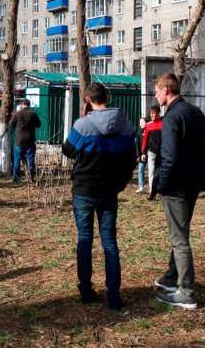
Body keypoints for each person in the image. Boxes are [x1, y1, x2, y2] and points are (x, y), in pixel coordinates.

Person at [62, 83, 136, 310]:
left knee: (84, 239)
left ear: (87, 100)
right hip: (109, 191)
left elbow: (67, 150)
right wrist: (120, 184)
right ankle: (114, 295)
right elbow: (131, 160)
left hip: (84, 190)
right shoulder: (125, 125)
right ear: (107, 97)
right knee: (110, 243)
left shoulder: (83, 125)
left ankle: (86, 291)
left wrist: (82, 120)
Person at [152, 73, 205, 309]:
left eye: (157, 91)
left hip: (176, 185)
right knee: (180, 232)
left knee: (179, 238)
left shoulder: (172, 117)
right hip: (194, 182)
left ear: (166, 90)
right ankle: (171, 277)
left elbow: (169, 157)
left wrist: (160, 184)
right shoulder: (194, 112)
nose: (155, 95)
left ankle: (186, 291)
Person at [9, 99, 42, 182]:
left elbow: (11, 124)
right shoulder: (33, 114)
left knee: (17, 159)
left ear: (22, 104)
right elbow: (39, 125)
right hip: (30, 140)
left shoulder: (17, 113)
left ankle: (16, 177)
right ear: (29, 105)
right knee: (30, 159)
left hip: (19, 140)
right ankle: (31, 177)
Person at [142, 106, 162, 200]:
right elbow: (145, 139)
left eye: (154, 113)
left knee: (162, 172)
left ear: (158, 113)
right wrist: (143, 153)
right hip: (151, 152)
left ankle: (161, 191)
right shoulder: (149, 125)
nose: (152, 115)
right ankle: (152, 192)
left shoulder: (164, 123)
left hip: (162, 153)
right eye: (151, 113)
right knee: (151, 173)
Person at [135, 116, 148, 193]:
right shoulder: (139, 131)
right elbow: (137, 144)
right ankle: (141, 186)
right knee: (140, 170)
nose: (141, 124)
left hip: (149, 153)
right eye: (140, 123)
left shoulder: (150, 130)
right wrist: (138, 155)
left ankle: (153, 187)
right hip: (141, 154)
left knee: (152, 171)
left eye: (143, 122)